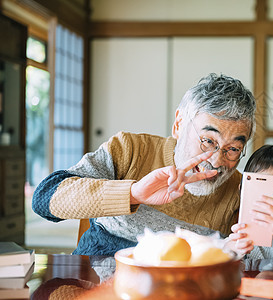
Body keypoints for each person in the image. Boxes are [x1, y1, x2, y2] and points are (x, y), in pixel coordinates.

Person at [32, 73, 256, 256]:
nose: (216, 161)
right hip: (96, 282)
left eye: (233, 149)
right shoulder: (130, 149)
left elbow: (243, 260)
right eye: (208, 141)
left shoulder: (238, 190)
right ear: (179, 124)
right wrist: (133, 194)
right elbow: (44, 200)